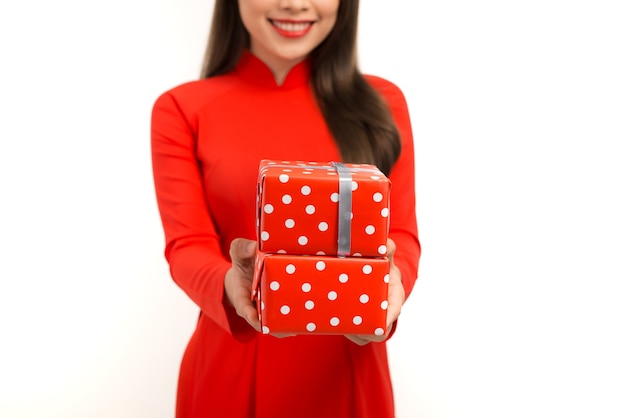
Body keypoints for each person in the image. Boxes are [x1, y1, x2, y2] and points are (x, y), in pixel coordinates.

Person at [150, 0, 421, 417]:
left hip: (345, 372)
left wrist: (392, 285)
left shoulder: (382, 103)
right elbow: (187, 245)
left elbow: (400, 235)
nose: (295, 3)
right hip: (230, 371)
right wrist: (230, 284)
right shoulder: (182, 109)